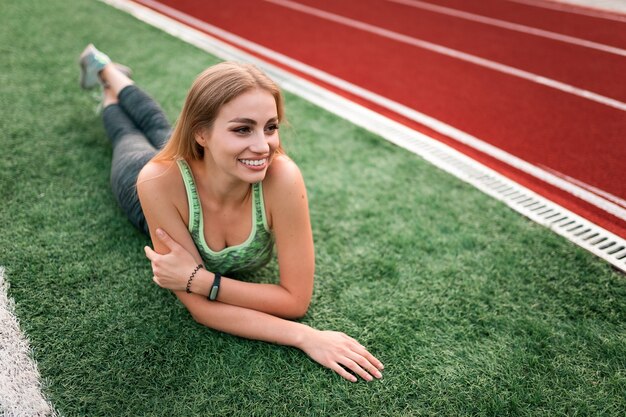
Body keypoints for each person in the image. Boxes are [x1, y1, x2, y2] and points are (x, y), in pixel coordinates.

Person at [79, 44, 384, 382]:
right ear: (202, 133)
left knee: (155, 122)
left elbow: (296, 300)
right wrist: (304, 336)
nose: (262, 145)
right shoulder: (155, 180)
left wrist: (200, 279)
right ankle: (107, 78)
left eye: (270, 127)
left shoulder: (281, 177)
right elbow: (201, 309)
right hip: (148, 189)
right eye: (243, 129)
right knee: (129, 134)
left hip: (215, 162)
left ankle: (109, 74)